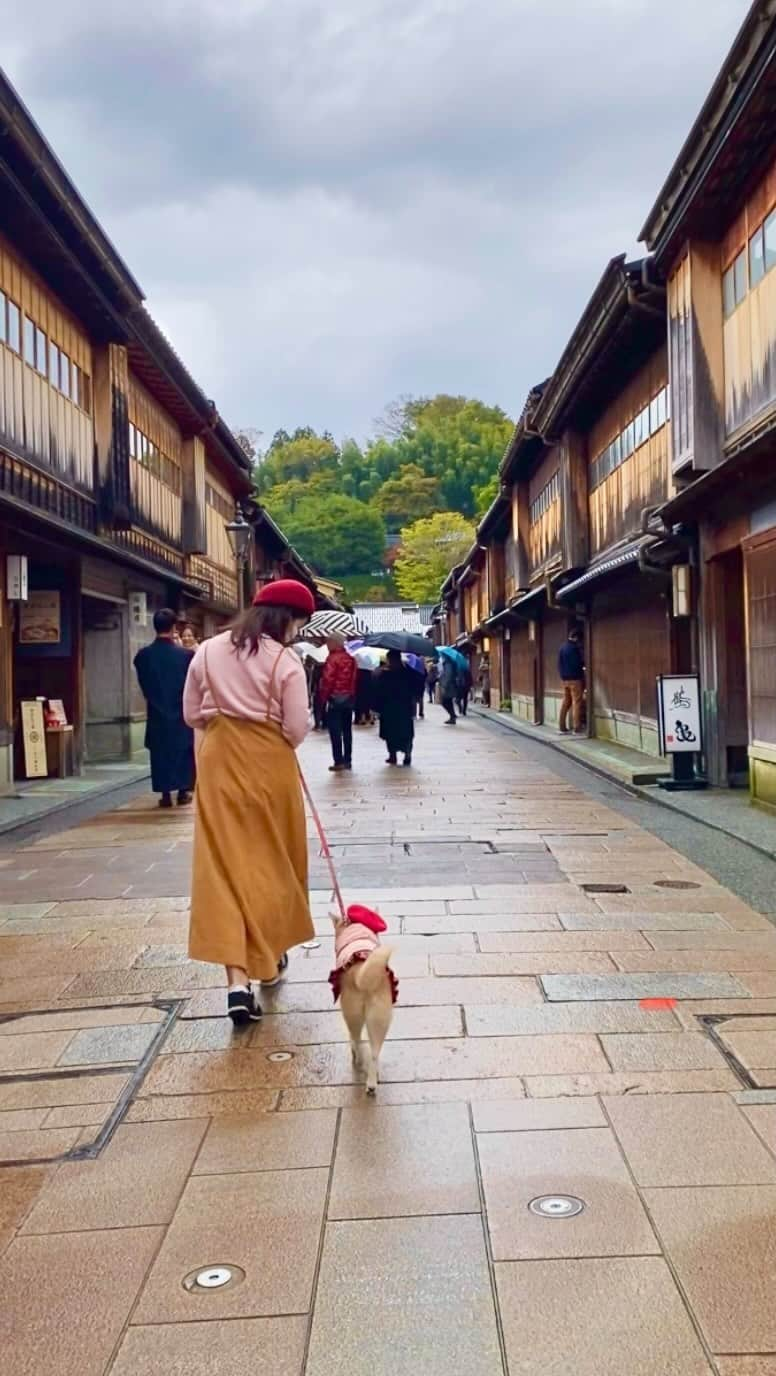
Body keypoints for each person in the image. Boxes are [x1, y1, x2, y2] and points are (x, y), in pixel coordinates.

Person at [183, 579, 316, 1026]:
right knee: (274, 863)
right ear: (287, 618)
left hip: (219, 763)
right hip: (269, 765)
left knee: (223, 868)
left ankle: (236, 983)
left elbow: (190, 714)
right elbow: (296, 728)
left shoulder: (206, 650)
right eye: (299, 622)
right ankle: (271, 954)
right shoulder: (286, 661)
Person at [134, 608, 195, 809]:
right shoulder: (185, 656)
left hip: (156, 710)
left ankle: (165, 794)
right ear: (173, 627)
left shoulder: (143, 656)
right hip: (180, 711)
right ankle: (183, 791)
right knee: (182, 751)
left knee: (160, 753)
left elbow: (144, 685)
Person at [372, 649, 417, 766]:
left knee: (391, 733)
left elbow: (378, 691)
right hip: (403, 708)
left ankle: (394, 755)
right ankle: (405, 753)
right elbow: (416, 686)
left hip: (390, 708)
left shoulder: (384, 674)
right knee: (404, 733)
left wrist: (376, 707)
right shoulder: (408, 672)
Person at [320, 636, 358, 772]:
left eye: (328, 642)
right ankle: (348, 760)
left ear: (333, 643)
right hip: (348, 699)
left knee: (335, 732)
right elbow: (354, 679)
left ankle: (338, 760)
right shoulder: (351, 659)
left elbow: (328, 680)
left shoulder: (332, 659)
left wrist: (323, 699)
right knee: (347, 731)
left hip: (335, 699)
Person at [558, 626, 585, 734]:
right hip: (575, 679)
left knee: (566, 702)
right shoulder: (575, 648)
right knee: (576, 702)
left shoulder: (562, 648)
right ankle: (577, 727)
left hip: (565, 679)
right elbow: (578, 663)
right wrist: (582, 669)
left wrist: (562, 676)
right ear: (576, 637)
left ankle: (562, 726)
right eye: (579, 639)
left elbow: (559, 664)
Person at [439, 654, 458, 725]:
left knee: (444, 702)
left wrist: (444, 686)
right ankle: (452, 717)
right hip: (449, 686)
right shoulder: (447, 664)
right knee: (449, 702)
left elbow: (448, 675)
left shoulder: (448, 664)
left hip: (448, 687)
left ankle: (452, 715)